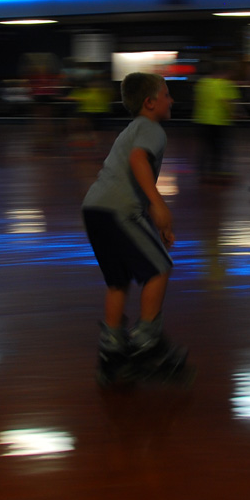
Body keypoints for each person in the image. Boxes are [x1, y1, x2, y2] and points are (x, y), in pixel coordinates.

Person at [81, 72, 184, 384]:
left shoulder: (132, 129)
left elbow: (129, 173)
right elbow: (139, 161)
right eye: (167, 95)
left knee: (118, 281)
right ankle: (147, 344)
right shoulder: (151, 129)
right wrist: (158, 204)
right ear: (150, 103)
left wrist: (155, 220)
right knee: (160, 268)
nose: (172, 100)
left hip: (94, 209)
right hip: (118, 211)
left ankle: (111, 352)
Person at [193, 59, 241, 182]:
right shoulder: (223, 84)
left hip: (202, 119)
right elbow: (225, 101)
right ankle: (216, 170)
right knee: (219, 147)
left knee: (206, 146)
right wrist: (233, 113)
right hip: (219, 121)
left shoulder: (202, 83)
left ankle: (202, 171)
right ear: (227, 72)